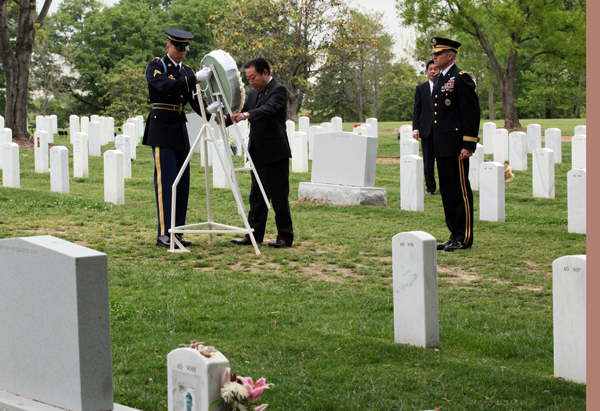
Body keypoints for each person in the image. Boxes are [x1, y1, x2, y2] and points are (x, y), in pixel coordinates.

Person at [143, 29, 208, 248]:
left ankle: (177, 230)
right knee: (166, 182)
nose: (182, 52)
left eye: (185, 48)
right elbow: (166, 87)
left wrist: (216, 114)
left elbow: (194, 102)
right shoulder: (156, 67)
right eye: (178, 48)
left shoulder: (187, 71)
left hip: (179, 128)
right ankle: (164, 232)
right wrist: (194, 79)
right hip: (161, 127)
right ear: (168, 47)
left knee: (182, 182)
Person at [226, 57, 294, 248]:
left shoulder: (278, 90)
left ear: (265, 73)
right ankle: (254, 235)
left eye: (253, 77)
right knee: (257, 194)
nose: (251, 82)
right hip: (257, 151)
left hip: (275, 151)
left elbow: (268, 109)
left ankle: (285, 236)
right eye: (248, 78)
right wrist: (225, 118)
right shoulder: (253, 94)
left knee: (279, 194)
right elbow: (243, 111)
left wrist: (246, 115)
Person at [430, 37, 480, 252]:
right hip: (442, 145)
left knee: (459, 191)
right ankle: (453, 235)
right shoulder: (441, 78)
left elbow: (471, 112)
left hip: (456, 145)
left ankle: (464, 237)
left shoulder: (461, 78)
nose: (434, 57)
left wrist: (468, 144)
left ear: (450, 56)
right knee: (448, 192)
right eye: (434, 54)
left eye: (438, 54)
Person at [412, 60, 439, 195]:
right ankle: (430, 187)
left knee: (442, 160)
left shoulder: (444, 86)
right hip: (426, 129)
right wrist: (415, 128)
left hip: (441, 130)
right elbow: (417, 110)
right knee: (428, 161)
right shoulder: (421, 88)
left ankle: (445, 187)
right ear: (426, 71)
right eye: (430, 69)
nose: (433, 71)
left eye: (435, 69)